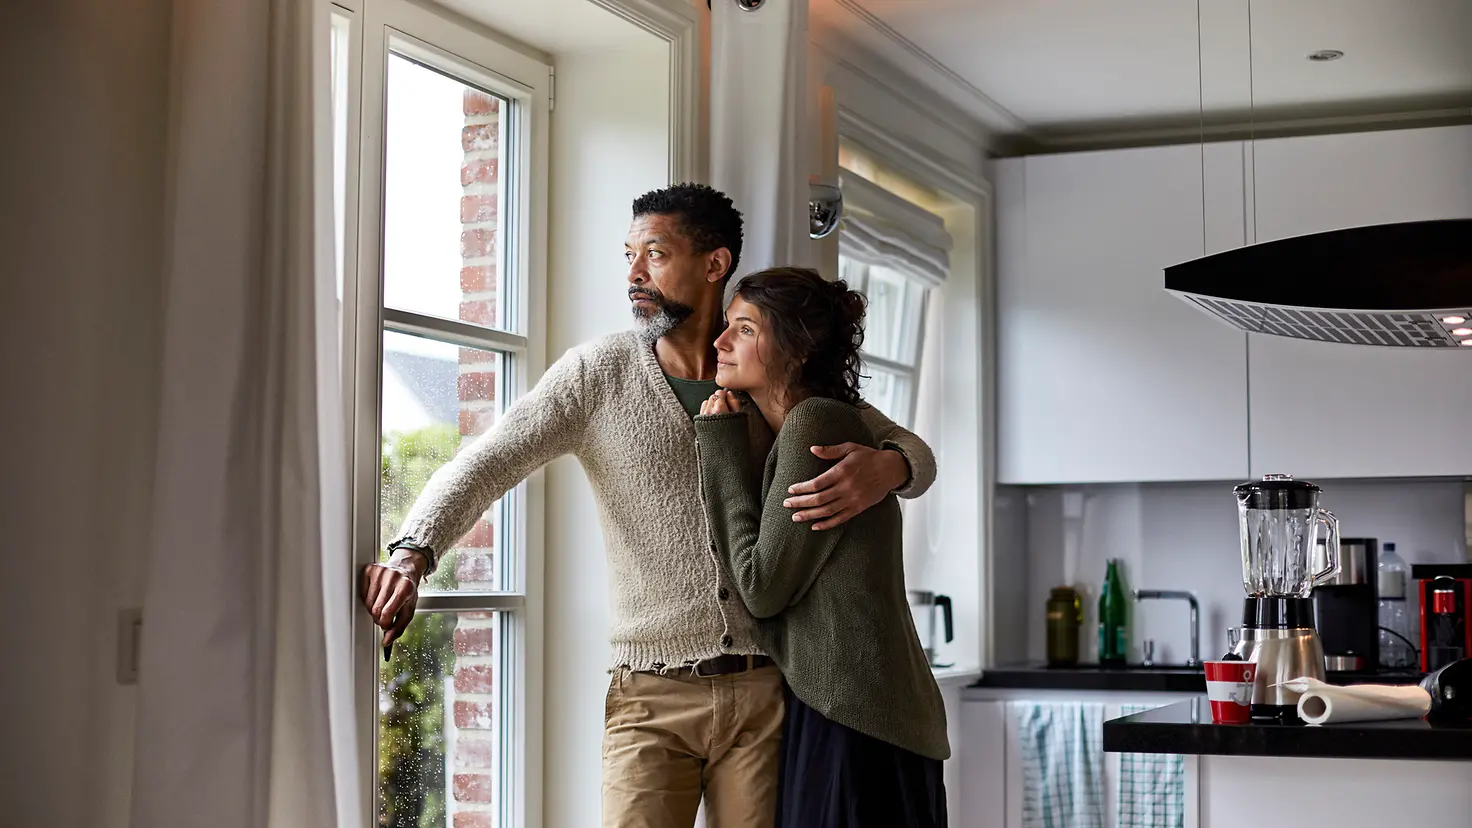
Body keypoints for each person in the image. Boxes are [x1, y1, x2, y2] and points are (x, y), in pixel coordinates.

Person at [359, 183, 937, 828]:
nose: (635, 274)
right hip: (650, 693)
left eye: (654, 254)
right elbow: (488, 460)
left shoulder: (762, 363)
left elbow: (905, 444)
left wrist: (894, 466)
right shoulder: (597, 373)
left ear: (714, 263)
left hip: (767, 688)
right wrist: (412, 553)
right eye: (628, 255)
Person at [694, 267, 949, 828]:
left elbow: (761, 588)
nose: (720, 340)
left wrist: (719, 448)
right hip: (861, 706)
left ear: (797, 348)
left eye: (744, 329)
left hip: (852, 712)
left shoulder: (817, 421)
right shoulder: (821, 420)